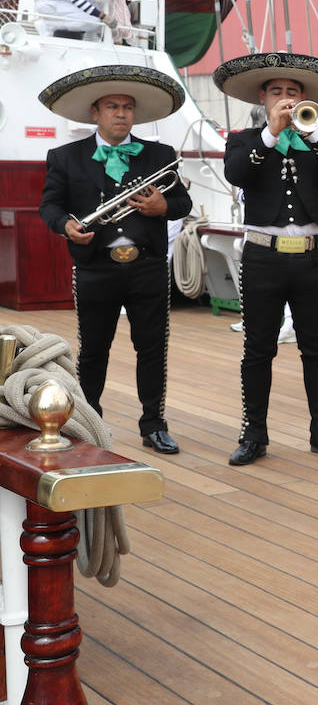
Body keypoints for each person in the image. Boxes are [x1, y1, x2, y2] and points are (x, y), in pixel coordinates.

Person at [38, 65, 191, 454]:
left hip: (147, 266)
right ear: (95, 113)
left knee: (153, 347)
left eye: (126, 107)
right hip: (95, 267)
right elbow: (50, 206)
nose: (121, 113)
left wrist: (163, 205)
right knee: (93, 349)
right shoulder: (65, 156)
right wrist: (65, 225)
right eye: (112, 107)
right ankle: (89, 423)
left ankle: (154, 425)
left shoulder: (159, 155)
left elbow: (182, 202)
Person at [216, 53, 318, 466]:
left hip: (313, 259)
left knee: (317, 348)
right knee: (258, 349)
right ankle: (253, 434)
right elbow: (238, 174)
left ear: (304, 100)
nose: (285, 98)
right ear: (263, 97)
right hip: (264, 257)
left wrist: (313, 136)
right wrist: (270, 135)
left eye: (292, 93)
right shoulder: (244, 140)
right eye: (277, 92)